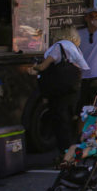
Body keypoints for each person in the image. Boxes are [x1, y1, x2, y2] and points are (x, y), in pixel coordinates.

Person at [28, 27, 89, 159]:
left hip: (59, 91)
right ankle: (74, 149)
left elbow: (44, 66)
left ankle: (66, 153)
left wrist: (34, 67)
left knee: (61, 122)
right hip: (73, 90)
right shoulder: (74, 49)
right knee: (70, 119)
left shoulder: (58, 47)